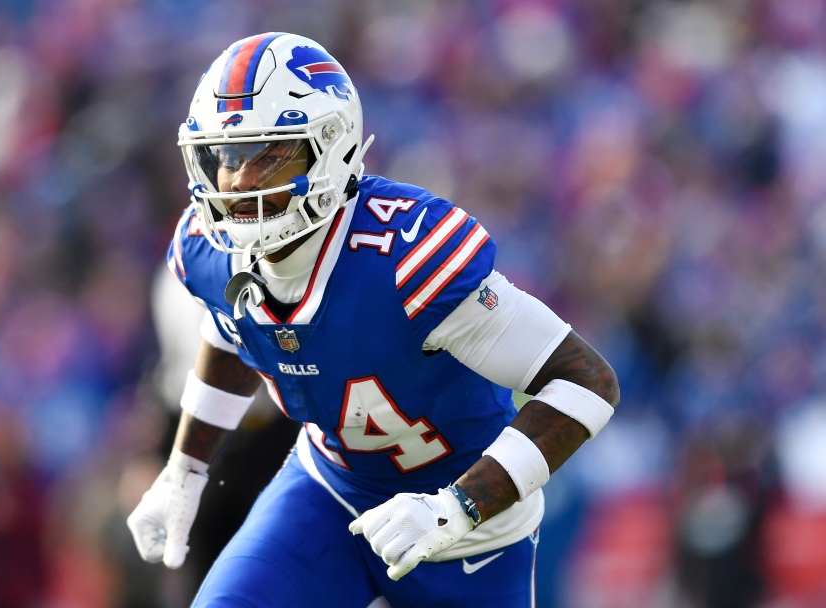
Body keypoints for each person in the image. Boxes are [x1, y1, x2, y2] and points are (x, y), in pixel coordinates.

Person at [127, 32, 620, 608]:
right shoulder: (209, 251)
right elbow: (232, 331)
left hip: (473, 528)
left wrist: (452, 510)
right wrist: (183, 471)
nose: (237, 184)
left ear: (331, 150)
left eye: (269, 155)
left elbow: (588, 381)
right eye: (227, 157)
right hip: (328, 492)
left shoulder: (406, 255)